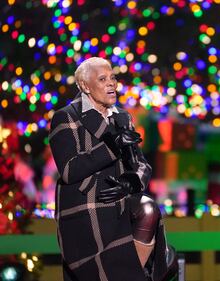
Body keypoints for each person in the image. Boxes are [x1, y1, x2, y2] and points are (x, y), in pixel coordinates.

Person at [49, 57, 176, 281]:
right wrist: (111, 146)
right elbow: (69, 169)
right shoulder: (66, 116)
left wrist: (132, 182)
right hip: (87, 205)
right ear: (85, 86)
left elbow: (142, 164)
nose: (111, 84)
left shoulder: (122, 117)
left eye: (113, 78)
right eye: (102, 79)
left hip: (120, 200)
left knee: (148, 209)